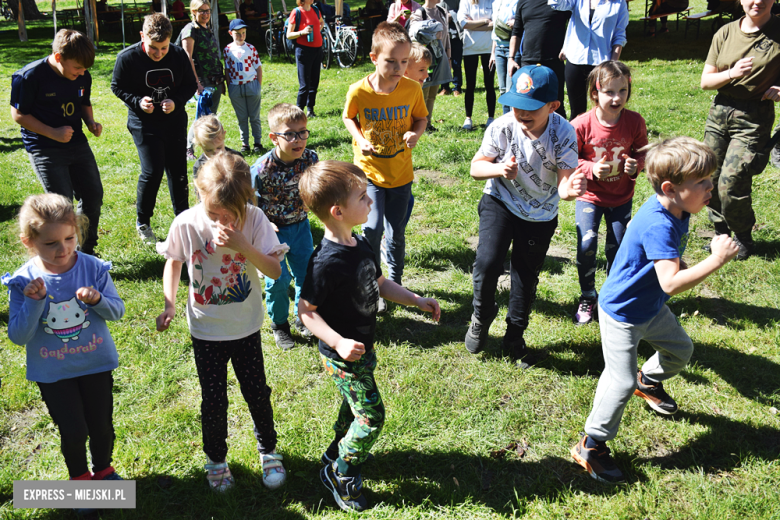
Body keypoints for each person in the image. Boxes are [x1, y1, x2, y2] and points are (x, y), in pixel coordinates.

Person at [570, 137, 739, 484]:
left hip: (649, 308)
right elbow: (671, 284)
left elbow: (653, 253)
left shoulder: (675, 208)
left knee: (681, 351)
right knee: (619, 380)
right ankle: (591, 443)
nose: (711, 188)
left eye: (711, 179)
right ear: (670, 188)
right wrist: (716, 259)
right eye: (703, 182)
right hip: (623, 313)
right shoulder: (660, 223)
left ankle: (648, 381)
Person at [298, 160, 441, 512]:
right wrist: (338, 342)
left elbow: (379, 283)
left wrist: (415, 300)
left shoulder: (359, 242)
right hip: (342, 356)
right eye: (363, 197)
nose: (370, 202)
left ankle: (335, 449)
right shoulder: (325, 262)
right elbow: (306, 311)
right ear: (338, 211)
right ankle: (341, 472)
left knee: (354, 405)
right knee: (371, 416)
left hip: (363, 349)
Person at [155, 152, 289, 492]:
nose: (223, 220)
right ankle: (216, 460)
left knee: (257, 392)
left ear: (247, 200)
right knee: (213, 400)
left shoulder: (255, 219)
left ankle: (269, 451)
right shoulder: (186, 223)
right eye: (215, 213)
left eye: (233, 213)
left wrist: (244, 245)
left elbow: (274, 271)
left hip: (245, 327)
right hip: (206, 330)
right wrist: (170, 303)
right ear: (200, 194)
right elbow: (173, 262)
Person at [464, 65, 584, 366]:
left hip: (541, 213)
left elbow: (566, 185)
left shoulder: (564, 132)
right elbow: (475, 168)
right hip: (500, 201)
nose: (521, 112)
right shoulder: (502, 126)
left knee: (524, 276)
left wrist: (572, 190)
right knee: (487, 262)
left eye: (530, 107)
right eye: (516, 104)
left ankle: (515, 336)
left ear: (553, 106)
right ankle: (482, 314)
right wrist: (498, 169)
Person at [3, 194, 125, 484]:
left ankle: (104, 470)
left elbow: (117, 311)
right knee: (73, 430)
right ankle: (79, 480)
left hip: (95, 364)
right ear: (28, 242)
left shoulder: (93, 267)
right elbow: (18, 336)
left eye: (70, 238)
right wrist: (35, 301)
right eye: (50, 243)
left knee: (101, 425)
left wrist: (97, 300)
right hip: (53, 373)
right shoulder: (24, 281)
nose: (63, 249)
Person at [342, 21, 428, 311]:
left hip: (401, 174)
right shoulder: (358, 91)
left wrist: (415, 133)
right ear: (374, 58)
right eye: (391, 61)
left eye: (404, 61)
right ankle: (374, 285)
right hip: (370, 174)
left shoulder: (412, 89)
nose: (398, 68)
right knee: (373, 228)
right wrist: (359, 137)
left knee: (396, 232)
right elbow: (348, 118)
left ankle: (396, 281)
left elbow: (421, 118)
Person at [10, 29, 104, 256]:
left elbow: (84, 101)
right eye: (77, 68)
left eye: (85, 69)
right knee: (62, 206)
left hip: (77, 143)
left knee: (93, 195)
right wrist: (52, 132)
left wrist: (90, 121)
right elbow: (18, 115)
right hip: (45, 147)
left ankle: (87, 251)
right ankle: (66, 255)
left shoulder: (82, 74)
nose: (82, 73)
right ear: (59, 56)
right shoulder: (29, 76)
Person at [700, 0, 780, 261]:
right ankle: (721, 234)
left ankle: (743, 236)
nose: (756, 1)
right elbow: (706, 81)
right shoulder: (725, 32)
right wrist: (732, 73)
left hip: (754, 117)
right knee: (708, 178)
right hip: (720, 112)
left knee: (731, 182)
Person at [571, 61, 647, 326]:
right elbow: (568, 160)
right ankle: (588, 295)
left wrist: (636, 165)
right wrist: (591, 168)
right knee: (587, 244)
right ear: (595, 93)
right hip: (590, 197)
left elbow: (643, 152)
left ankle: (613, 297)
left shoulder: (635, 121)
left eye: (623, 91)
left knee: (619, 250)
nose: (617, 98)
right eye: (609, 92)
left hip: (621, 198)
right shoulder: (581, 124)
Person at [111, 13, 198, 244]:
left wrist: (177, 101)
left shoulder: (178, 54)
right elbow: (117, 86)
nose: (159, 54)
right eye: (153, 48)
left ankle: (184, 219)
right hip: (144, 123)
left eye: (164, 48)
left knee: (178, 171)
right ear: (142, 37)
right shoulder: (127, 58)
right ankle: (143, 222)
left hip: (174, 121)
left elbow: (190, 84)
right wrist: (138, 101)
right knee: (153, 171)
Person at [250, 103, 318, 350]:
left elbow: (317, 187)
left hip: (301, 228)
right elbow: (249, 202)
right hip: (271, 233)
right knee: (278, 281)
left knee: (306, 275)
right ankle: (280, 325)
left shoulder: (310, 159)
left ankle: (304, 318)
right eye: (290, 134)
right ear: (273, 138)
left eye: (302, 132)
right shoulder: (260, 169)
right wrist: (263, 222)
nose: (298, 139)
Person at [549, 0, 628, 119]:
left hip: (601, 63)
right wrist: (567, 46)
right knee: (577, 110)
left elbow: (619, 35)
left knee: (603, 107)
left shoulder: (618, 3)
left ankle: (601, 135)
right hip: (576, 59)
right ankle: (576, 136)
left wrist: (612, 64)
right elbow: (557, 4)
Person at [506, 0, 570, 118]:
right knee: (526, 103)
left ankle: (559, 134)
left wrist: (567, 45)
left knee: (555, 104)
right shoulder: (523, 2)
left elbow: (574, 24)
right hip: (528, 63)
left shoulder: (560, 2)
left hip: (554, 62)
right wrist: (511, 58)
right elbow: (516, 32)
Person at [181, 0, 226, 160]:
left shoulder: (207, 28)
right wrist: (196, 83)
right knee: (201, 117)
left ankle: (211, 147)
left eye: (207, 11)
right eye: (201, 11)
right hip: (202, 80)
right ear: (193, 12)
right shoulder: (190, 30)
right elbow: (188, 58)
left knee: (211, 116)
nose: (205, 14)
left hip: (215, 80)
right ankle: (188, 148)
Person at [409, 0, 451, 131]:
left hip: (440, 57)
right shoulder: (419, 13)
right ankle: (418, 124)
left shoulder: (442, 11)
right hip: (425, 59)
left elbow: (446, 35)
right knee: (423, 93)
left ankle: (427, 124)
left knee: (433, 93)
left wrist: (448, 56)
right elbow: (414, 36)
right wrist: (433, 36)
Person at [224, 19, 265, 155]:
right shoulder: (228, 49)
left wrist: (257, 85)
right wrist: (230, 86)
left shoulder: (251, 48)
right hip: (236, 87)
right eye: (237, 33)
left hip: (251, 85)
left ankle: (257, 142)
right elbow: (227, 69)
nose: (241, 36)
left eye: (243, 33)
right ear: (230, 33)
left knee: (254, 116)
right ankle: (245, 143)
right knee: (242, 117)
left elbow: (258, 68)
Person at [458, 0, 495, 130]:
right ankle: (468, 118)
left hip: (489, 48)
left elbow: (495, 24)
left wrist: (473, 24)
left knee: (489, 84)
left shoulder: (494, 1)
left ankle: (491, 117)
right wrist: (486, 22)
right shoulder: (466, 1)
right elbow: (464, 24)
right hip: (470, 48)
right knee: (470, 84)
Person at [286, 0, 324, 118]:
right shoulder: (296, 12)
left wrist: (317, 31)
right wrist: (302, 32)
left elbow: (321, 22)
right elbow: (289, 34)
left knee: (314, 82)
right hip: (303, 51)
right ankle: (298, 112)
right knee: (304, 85)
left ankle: (310, 110)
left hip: (317, 50)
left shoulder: (316, 10)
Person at [191, 114, 243, 181]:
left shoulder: (236, 158)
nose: (216, 154)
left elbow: (247, 183)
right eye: (209, 150)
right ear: (200, 145)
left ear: (224, 135)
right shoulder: (199, 166)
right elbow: (200, 190)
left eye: (219, 147)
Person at [489, 0, 518, 115]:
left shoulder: (518, 2)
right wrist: (493, 53)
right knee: (502, 90)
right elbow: (496, 31)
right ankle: (506, 120)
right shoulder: (496, 3)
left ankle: (513, 121)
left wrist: (516, 22)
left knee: (511, 89)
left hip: (513, 49)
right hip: (499, 50)